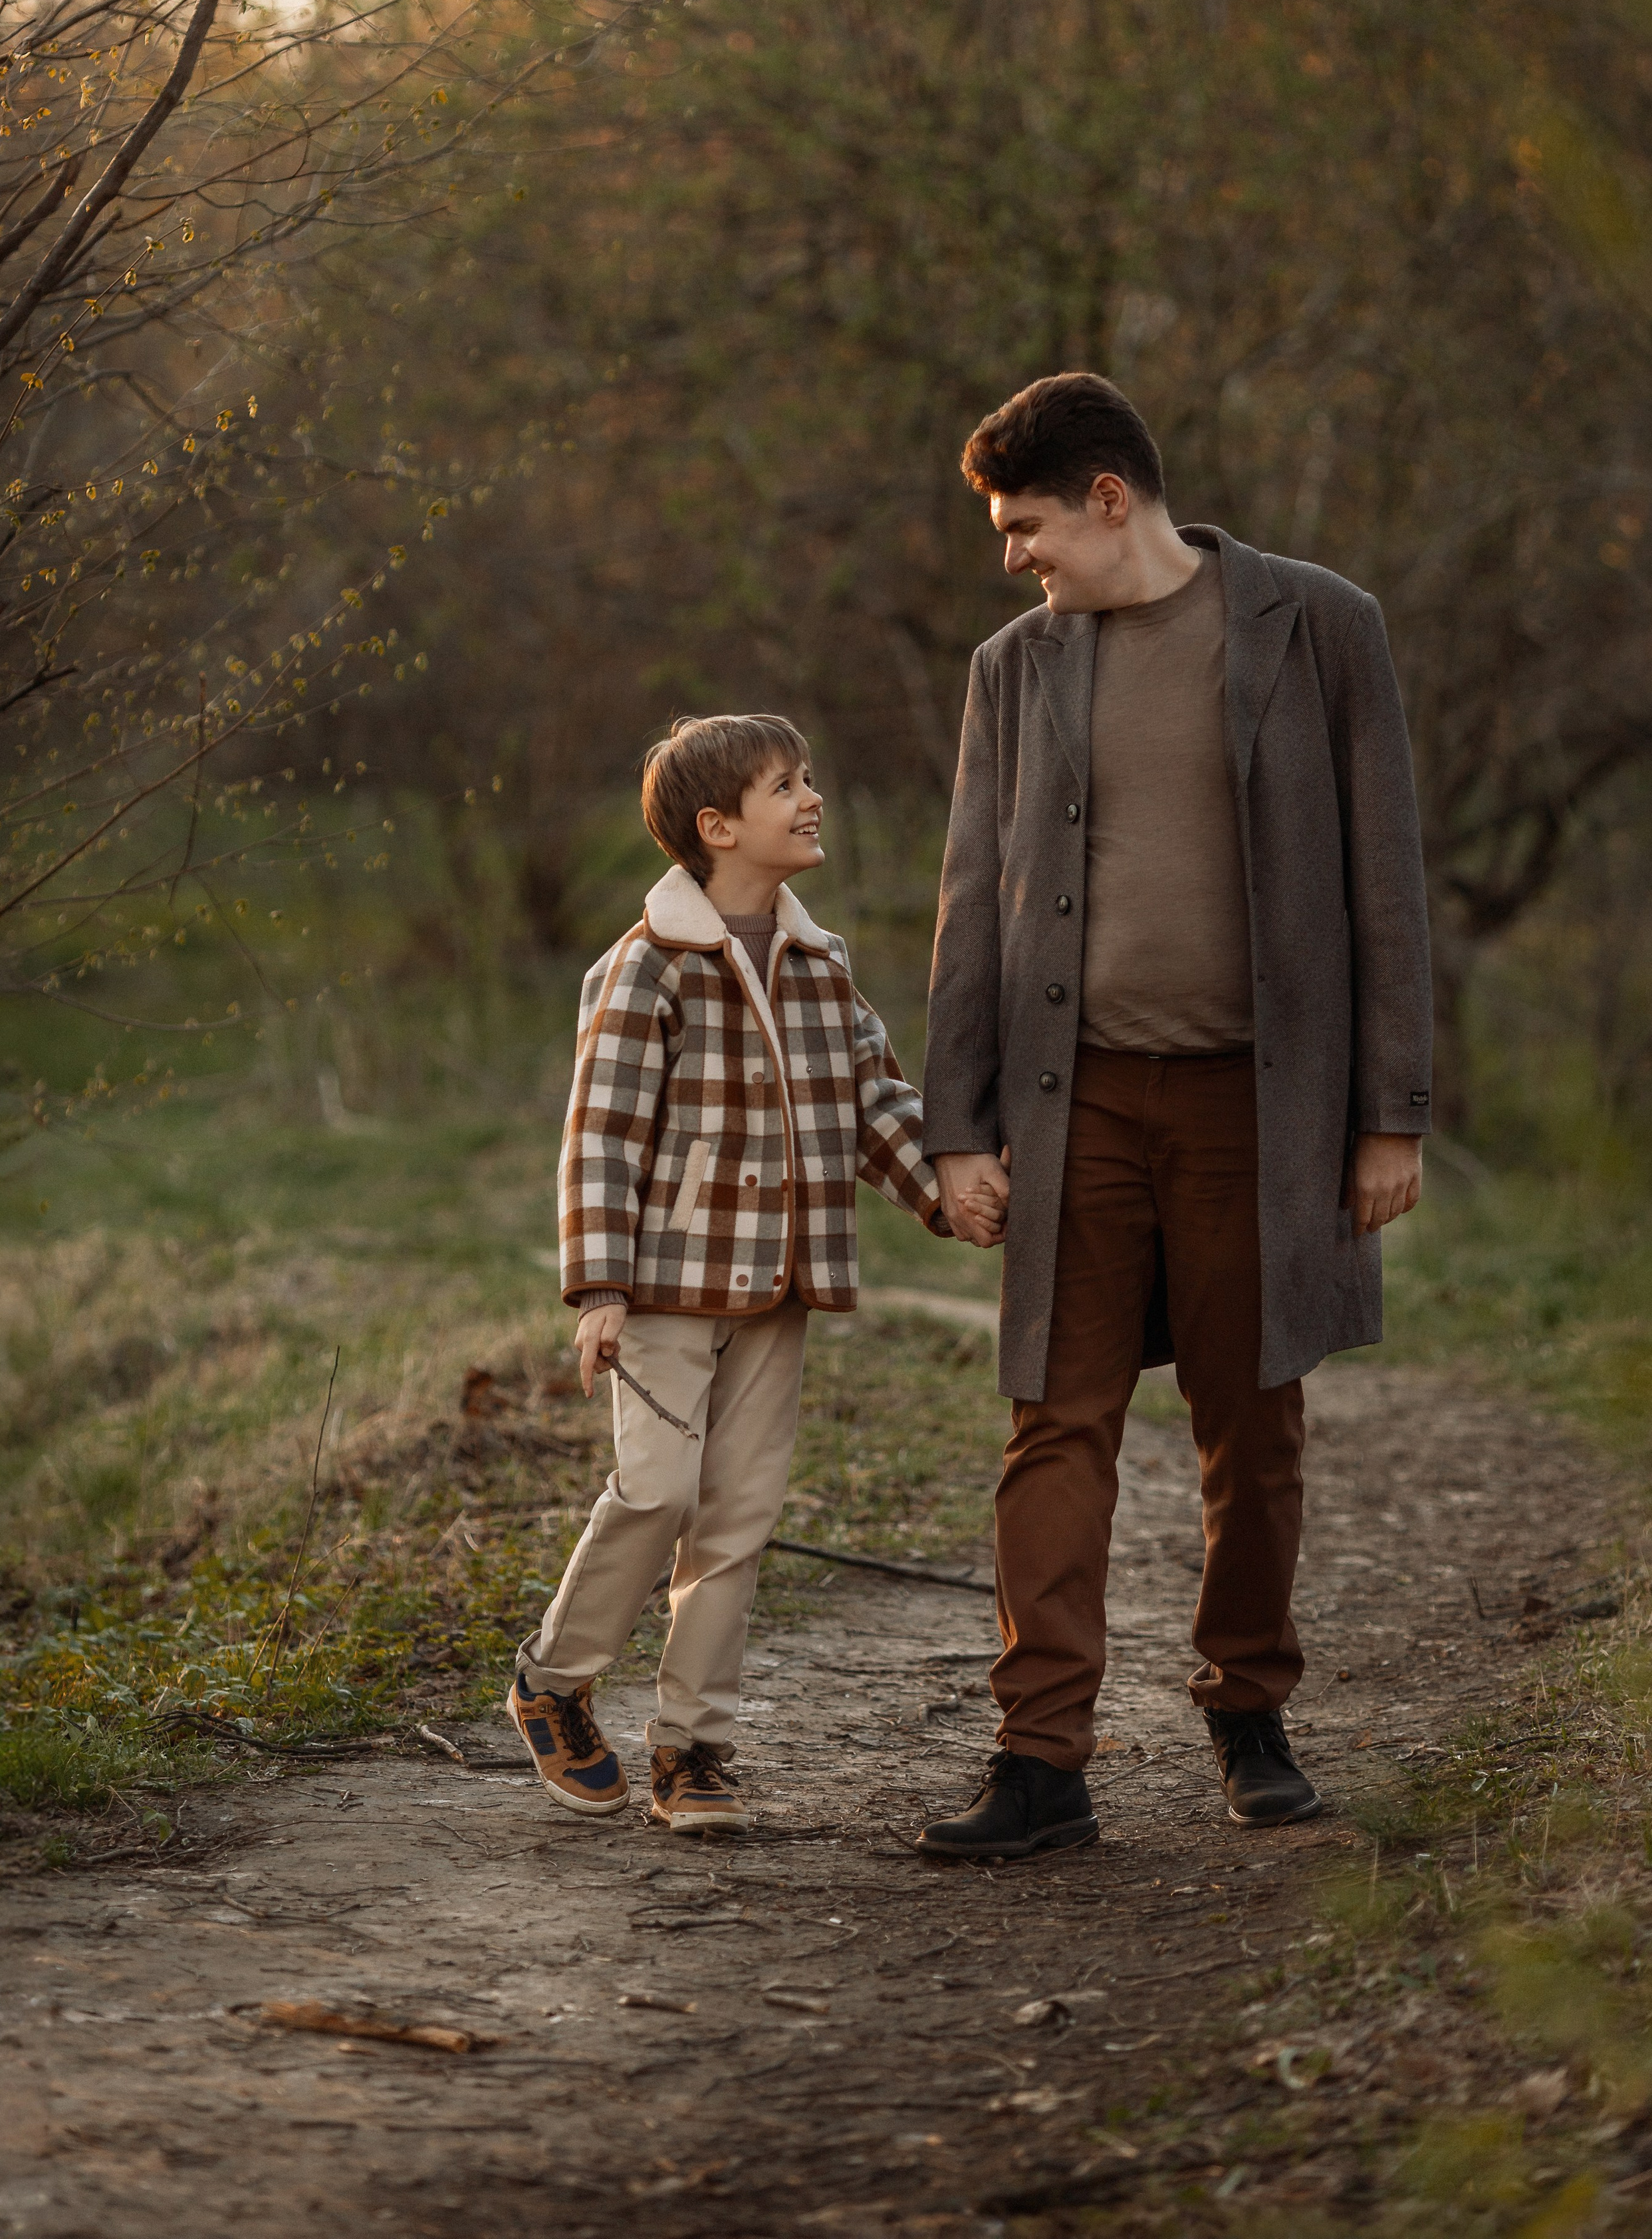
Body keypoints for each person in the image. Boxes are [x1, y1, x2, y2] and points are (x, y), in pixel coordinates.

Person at [915, 373, 1431, 1859]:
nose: (1013, 557)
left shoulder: (1318, 625)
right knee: (1051, 1421)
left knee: (1251, 1423)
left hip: (1256, 1111)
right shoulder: (1013, 668)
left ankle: (1247, 1712)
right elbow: (973, 903)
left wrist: (1388, 1114)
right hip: (1070, 1104)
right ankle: (1039, 1760)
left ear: (1107, 499)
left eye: (1024, 527)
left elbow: (1384, 876)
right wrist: (958, 1128)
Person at [509, 714, 983, 1834]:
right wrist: (599, 1289)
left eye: (809, 780)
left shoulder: (821, 963)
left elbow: (873, 1102)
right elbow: (601, 1136)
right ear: (718, 827)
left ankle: (692, 1750)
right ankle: (555, 1679)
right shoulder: (646, 966)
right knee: (657, 1492)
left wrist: (951, 1192)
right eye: (786, 786)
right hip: (665, 1288)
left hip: (780, 1288)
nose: (813, 800)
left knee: (737, 1519)